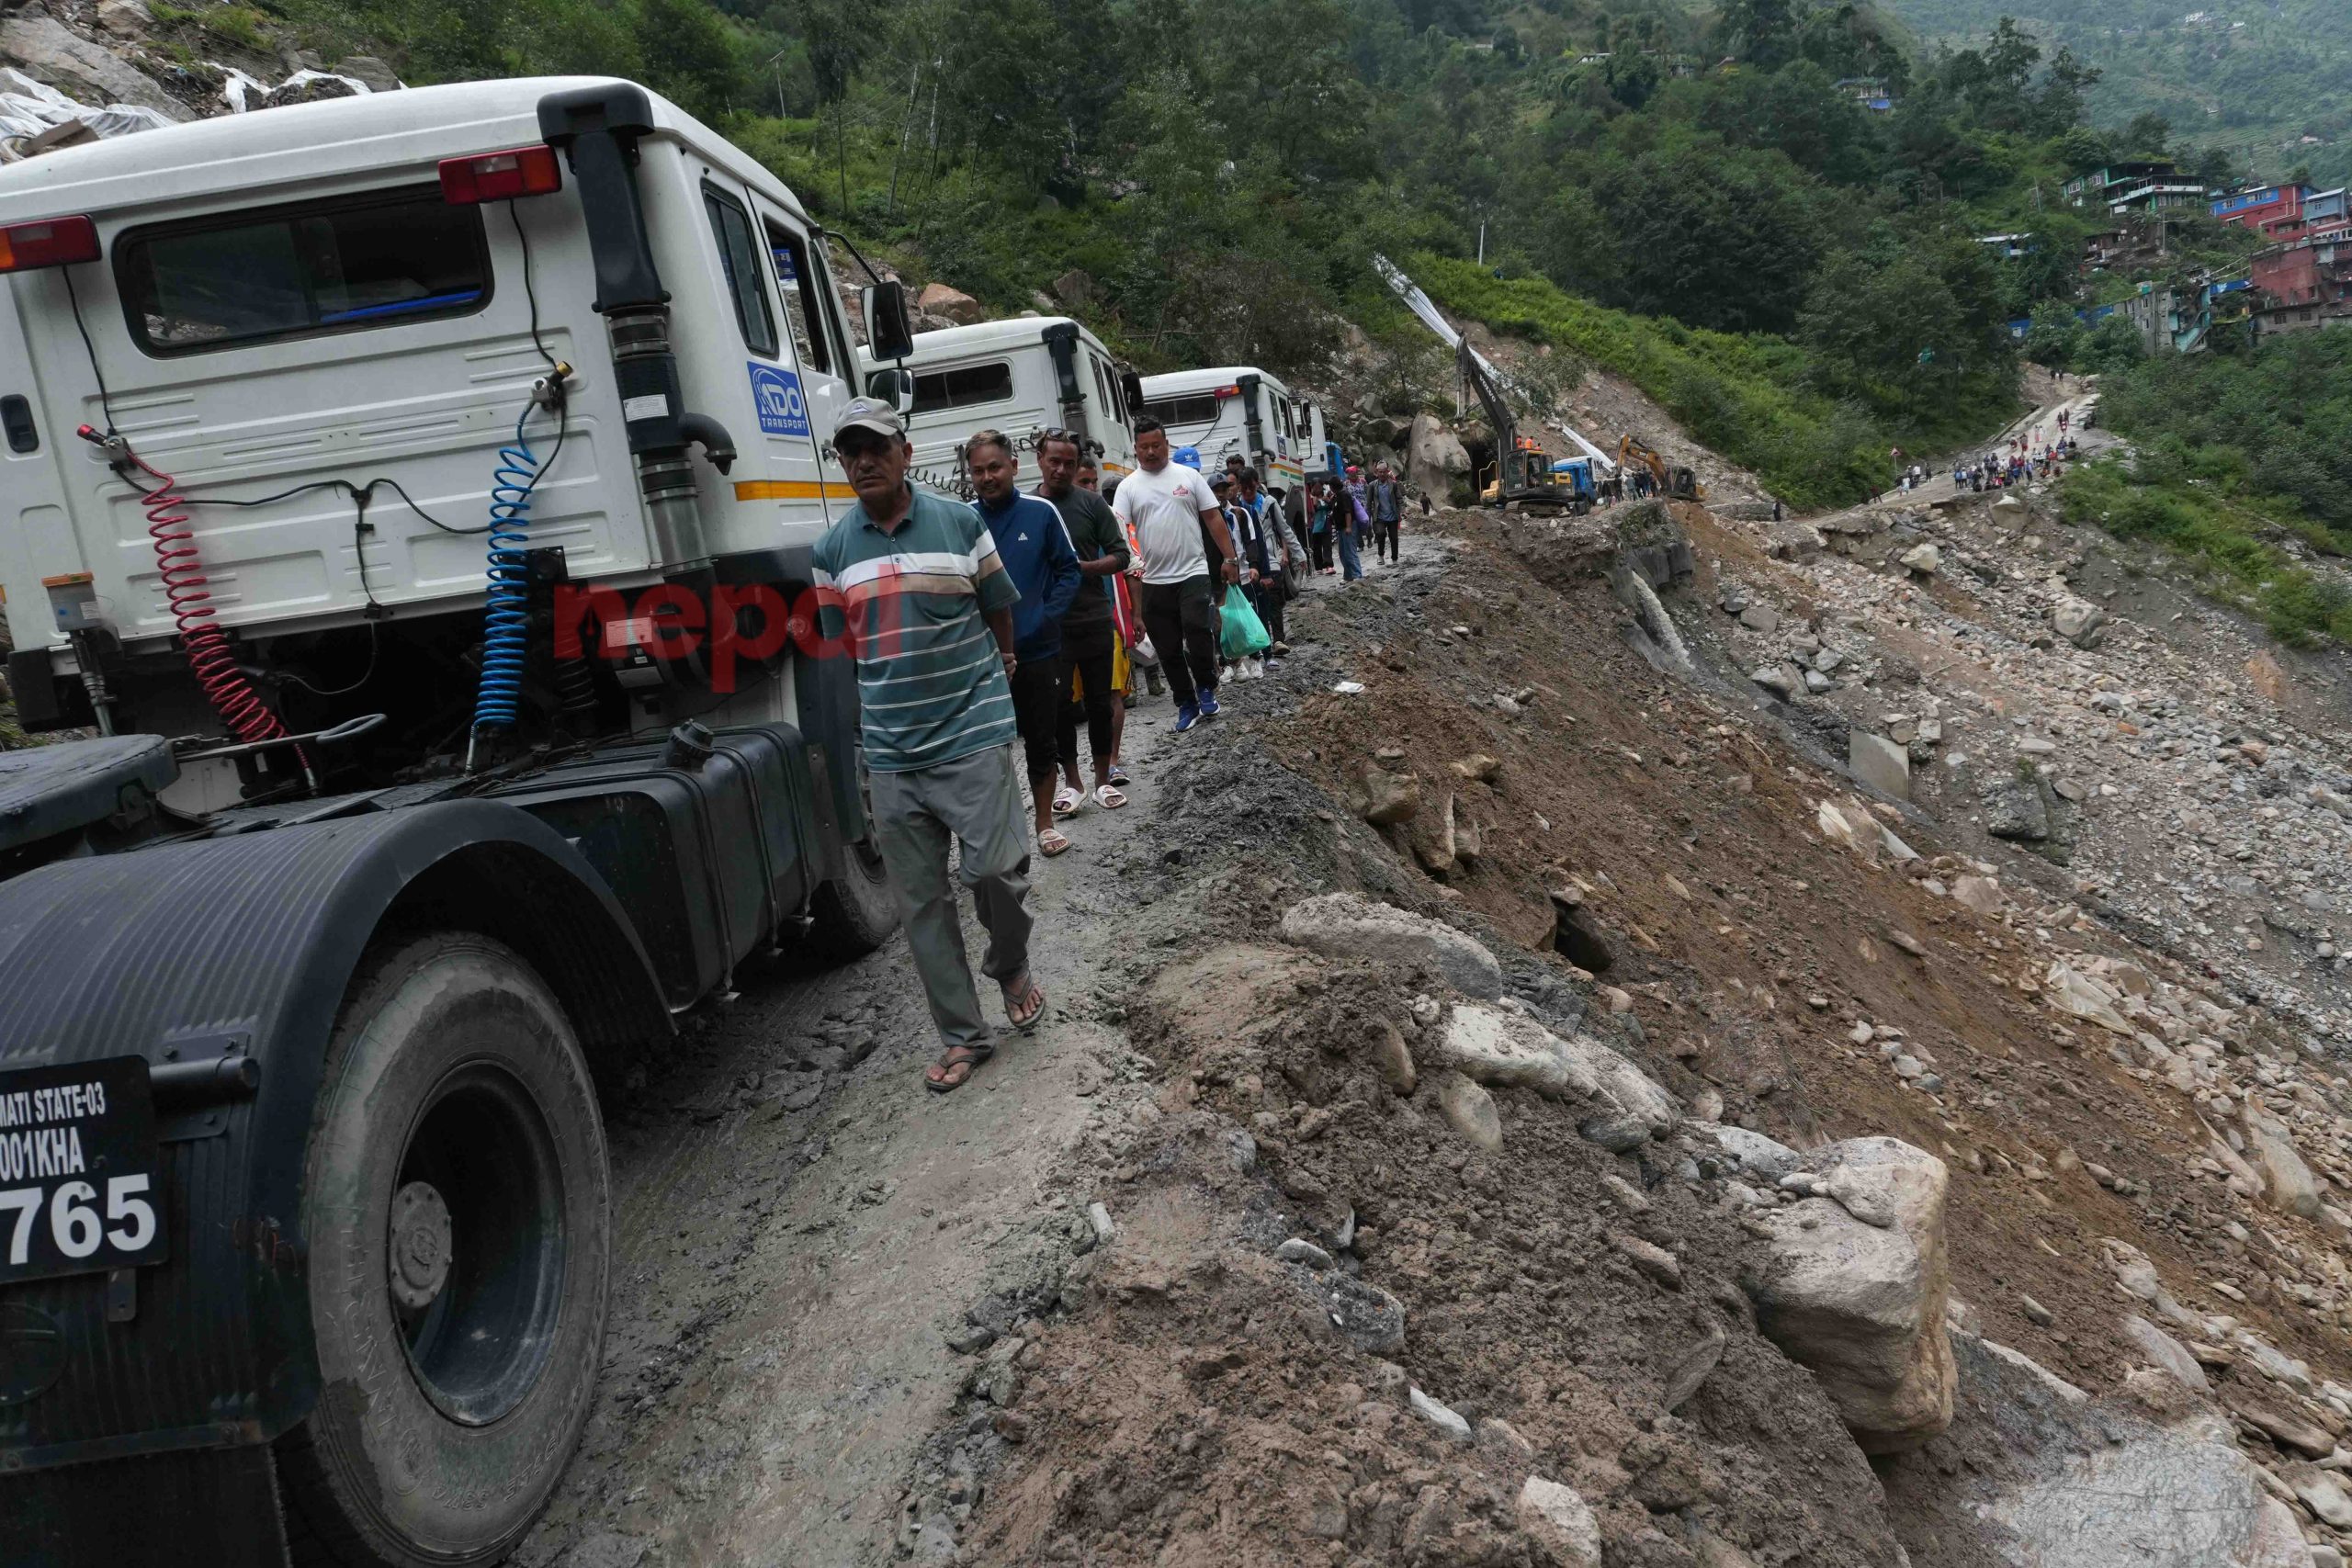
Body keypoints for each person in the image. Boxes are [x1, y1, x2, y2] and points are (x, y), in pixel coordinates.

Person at [809, 400, 1042, 1094]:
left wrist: (1000, 660)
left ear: (905, 451)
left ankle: (1010, 963)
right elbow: (840, 646)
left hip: (971, 731)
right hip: (891, 754)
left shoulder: (960, 522)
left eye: (875, 448)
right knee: (923, 904)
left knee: (998, 871)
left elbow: (997, 602)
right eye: (850, 452)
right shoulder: (829, 552)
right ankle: (965, 1036)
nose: (863, 462)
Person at [969, 429, 1080, 859]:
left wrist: (1043, 618)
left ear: (1014, 466)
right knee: (989, 748)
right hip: (984, 659)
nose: (987, 477)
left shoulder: (1041, 512)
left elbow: (1069, 571)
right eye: (978, 470)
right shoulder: (964, 520)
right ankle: (1002, 835)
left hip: (1038, 652)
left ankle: (1044, 825)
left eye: (994, 467)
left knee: (1040, 738)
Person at [1113, 417, 1238, 734]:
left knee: (1198, 630)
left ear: (1167, 445)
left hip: (1193, 571)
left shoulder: (1188, 477)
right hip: (1154, 580)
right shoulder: (1128, 487)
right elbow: (1120, 531)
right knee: (1167, 649)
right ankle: (1186, 703)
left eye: (1157, 445)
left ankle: (1207, 688)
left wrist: (1229, 557)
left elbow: (1212, 517)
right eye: (1144, 447)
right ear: (1136, 450)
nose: (1151, 452)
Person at [1035, 430, 1131, 818]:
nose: (1060, 469)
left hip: (1093, 618)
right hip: (1048, 628)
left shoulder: (1091, 504)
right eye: (1053, 461)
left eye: (1069, 463)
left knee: (1099, 704)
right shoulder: (1027, 507)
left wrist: (1083, 569)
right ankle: (1072, 784)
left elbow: (1122, 556)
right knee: (1058, 707)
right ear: (1039, 459)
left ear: (1077, 465)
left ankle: (1103, 780)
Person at [1234, 465, 1296, 656]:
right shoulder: (1237, 509)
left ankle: (1278, 640)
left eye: (1250, 489)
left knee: (1274, 601)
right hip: (1248, 563)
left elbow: (1284, 529)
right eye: (1243, 489)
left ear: (1257, 484)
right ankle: (1262, 643)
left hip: (1271, 558)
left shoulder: (1269, 503)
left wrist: (1296, 554)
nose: (1247, 493)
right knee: (1255, 605)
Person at [1367, 463, 1404, 564]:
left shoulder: (1393, 484)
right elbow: (1368, 502)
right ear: (1377, 473)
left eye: (1384, 472)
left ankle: (1395, 558)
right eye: (1380, 472)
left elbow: (1399, 499)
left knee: (1394, 538)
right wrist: (1367, 515)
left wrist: (1402, 510)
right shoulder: (1372, 485)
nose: (1382, 474)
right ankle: (1380, 555)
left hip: (1392, 516)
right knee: (1380, 533)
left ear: (1387, 472)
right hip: (1379, 516)